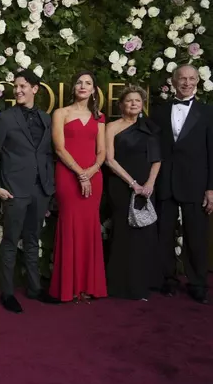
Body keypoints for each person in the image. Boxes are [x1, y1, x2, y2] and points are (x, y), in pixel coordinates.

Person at [0, 69, 60, 313]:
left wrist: (50, 186)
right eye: (15, 86)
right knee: (10, 242)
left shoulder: (47, 119)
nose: (18, 90)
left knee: (32, 240)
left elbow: (49, 154)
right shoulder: (6, 119)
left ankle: (34, 288)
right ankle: (7, 293)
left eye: (23, 86)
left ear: (35, 89)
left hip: (40, 190)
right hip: (14, 191)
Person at [150, 64, 213, 304]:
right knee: (163, 234)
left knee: (196, 236)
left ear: (197, 81)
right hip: (165, 182)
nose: (187, 83)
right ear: (174, 81)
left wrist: (211, 188)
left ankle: (197, 283)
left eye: (191, 79)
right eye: (182, 79)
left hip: (196, 184)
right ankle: (167, 279)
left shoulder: (208, 113)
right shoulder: (159, 112)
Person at [49, 70, 108, 303]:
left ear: (94, 90)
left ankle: (88, 286)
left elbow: (102, 151)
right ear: (74, 88)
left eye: (88, 83)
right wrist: (80, 174)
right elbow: (59, 148)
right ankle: (68, 287)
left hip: (93, 176)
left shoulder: (99, 117)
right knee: (70, 224)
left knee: (89, 227)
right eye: (79, 83)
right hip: (68, 175)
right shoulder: (60, 113)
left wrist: (90, 172)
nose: (83, 86)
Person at [104, 86, 162, 300]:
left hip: (146, 189)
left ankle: (141, 285)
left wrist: (149, 184)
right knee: (122, 233)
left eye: (138, 100)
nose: (134, 104)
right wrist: (132, 183)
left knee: (144, 236)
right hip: (121, 185)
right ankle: (120, 286)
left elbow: (157, 159)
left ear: (142, 104)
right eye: (129, 100)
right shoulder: (111, 127)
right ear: (121, 104)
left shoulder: (150, 127)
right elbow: (109, 160)